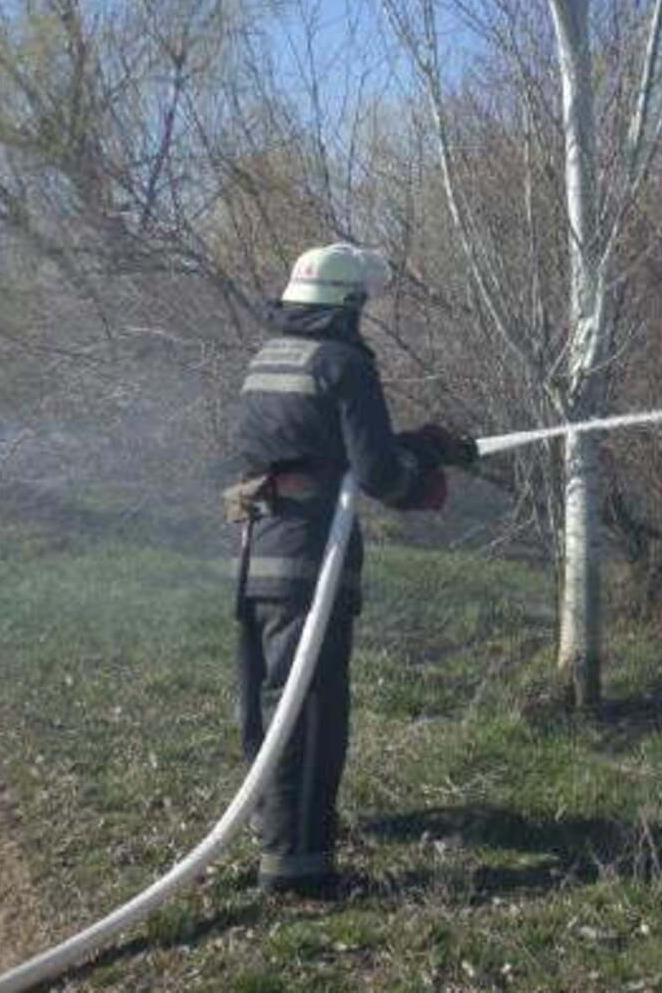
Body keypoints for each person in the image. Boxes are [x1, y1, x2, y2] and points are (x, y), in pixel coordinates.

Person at [223, 243, 477, 899]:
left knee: (268, 704)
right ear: (347, 305)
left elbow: (314, 445)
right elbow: (379, 475)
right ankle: (297, 871)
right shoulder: (344, 363)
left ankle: (277, 832)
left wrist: (421, 443)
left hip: (257, 552)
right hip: (310, 559)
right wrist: (422, 472)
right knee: (309, 709)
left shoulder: (268, 358)